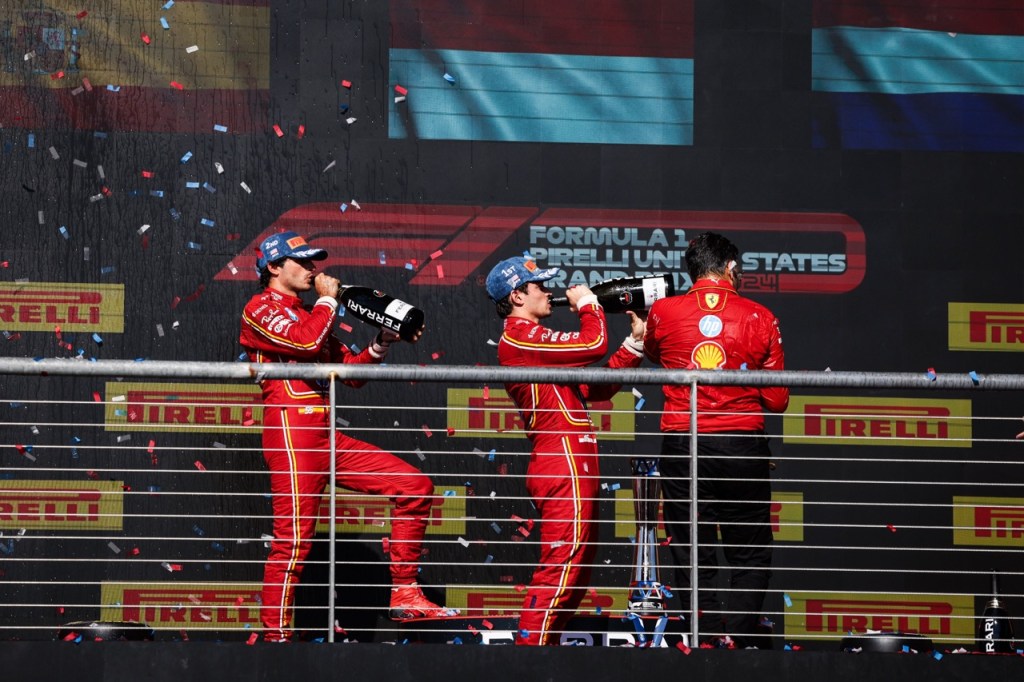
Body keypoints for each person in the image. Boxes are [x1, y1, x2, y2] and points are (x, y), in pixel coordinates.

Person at [239, 230, 456, 642]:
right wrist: (327, 300)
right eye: (301, 262)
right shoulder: (259, 307)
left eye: (313, 261)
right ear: (273, 267)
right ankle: (276, 640)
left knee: (415, 485)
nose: (312, 269)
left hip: (325, 436)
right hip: (291, 435)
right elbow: (304, 344)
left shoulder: (308, 313)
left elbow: (351, 374)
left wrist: (381, 340)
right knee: (293, 544)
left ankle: (406, 594)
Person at [486, 255, 646, 646]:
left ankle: (547, 655)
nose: (549, 291)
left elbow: (592, 388)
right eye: (540, 285)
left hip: (575, 459)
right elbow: (592, 343)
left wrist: (634, 345)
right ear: (517, 295)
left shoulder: (538, 343)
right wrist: (589, 304)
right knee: (560, 571)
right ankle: (527, 663)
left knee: (573, 580)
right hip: (562, 460)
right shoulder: (520, 337)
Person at [643, 231, 788, 649]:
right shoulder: (761, 316)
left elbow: (656, 352)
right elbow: (777, 400)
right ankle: (737, 644)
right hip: (740, 444)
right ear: (731, 268)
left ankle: (702, 643)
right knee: (749, 550)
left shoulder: (663, 312)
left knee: (691, 548)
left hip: (683, 444)